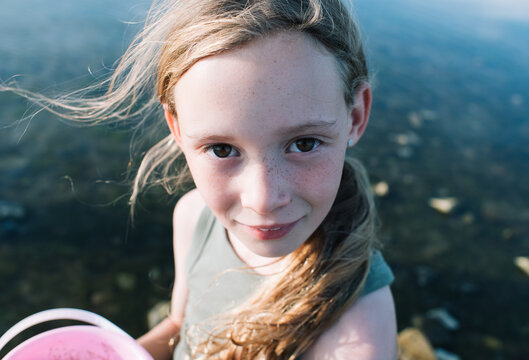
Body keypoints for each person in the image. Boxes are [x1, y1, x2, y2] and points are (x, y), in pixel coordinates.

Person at [3, 0, 397, 359]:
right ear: (176, 127)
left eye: (305, 143)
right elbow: (179, 327)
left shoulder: (359, 331)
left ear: (356, 116)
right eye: (222, 150)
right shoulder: (194, 218)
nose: (262, 200)